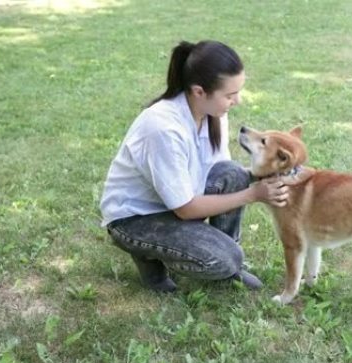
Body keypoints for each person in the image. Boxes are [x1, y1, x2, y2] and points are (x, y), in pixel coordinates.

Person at [99, 40, 288, 292]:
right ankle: (149, 256)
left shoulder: (213, 113)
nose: (238, 101)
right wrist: (254, 194)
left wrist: (266, 176)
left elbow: (221, 171)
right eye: (230, 95)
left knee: (233, 174)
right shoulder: (163, 128)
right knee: (226, 257)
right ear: (199, 91)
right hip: (135, 219)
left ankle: (228, 268)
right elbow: (186, 209)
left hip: (177, 203)